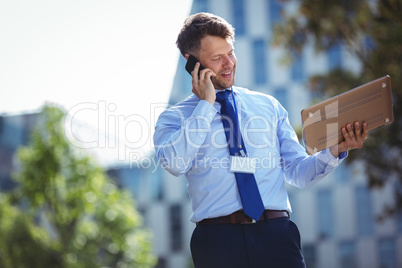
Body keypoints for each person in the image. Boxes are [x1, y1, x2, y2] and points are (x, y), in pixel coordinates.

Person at [153, 12, 369, 268]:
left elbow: (298, 173)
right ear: (192, 63)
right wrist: (206, 105)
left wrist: (335, 150)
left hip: (276, 235)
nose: (229, 63)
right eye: (217, 58)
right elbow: (175, 163)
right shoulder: (174, 119)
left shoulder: (268, 106)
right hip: (218, 243)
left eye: (231, 53)